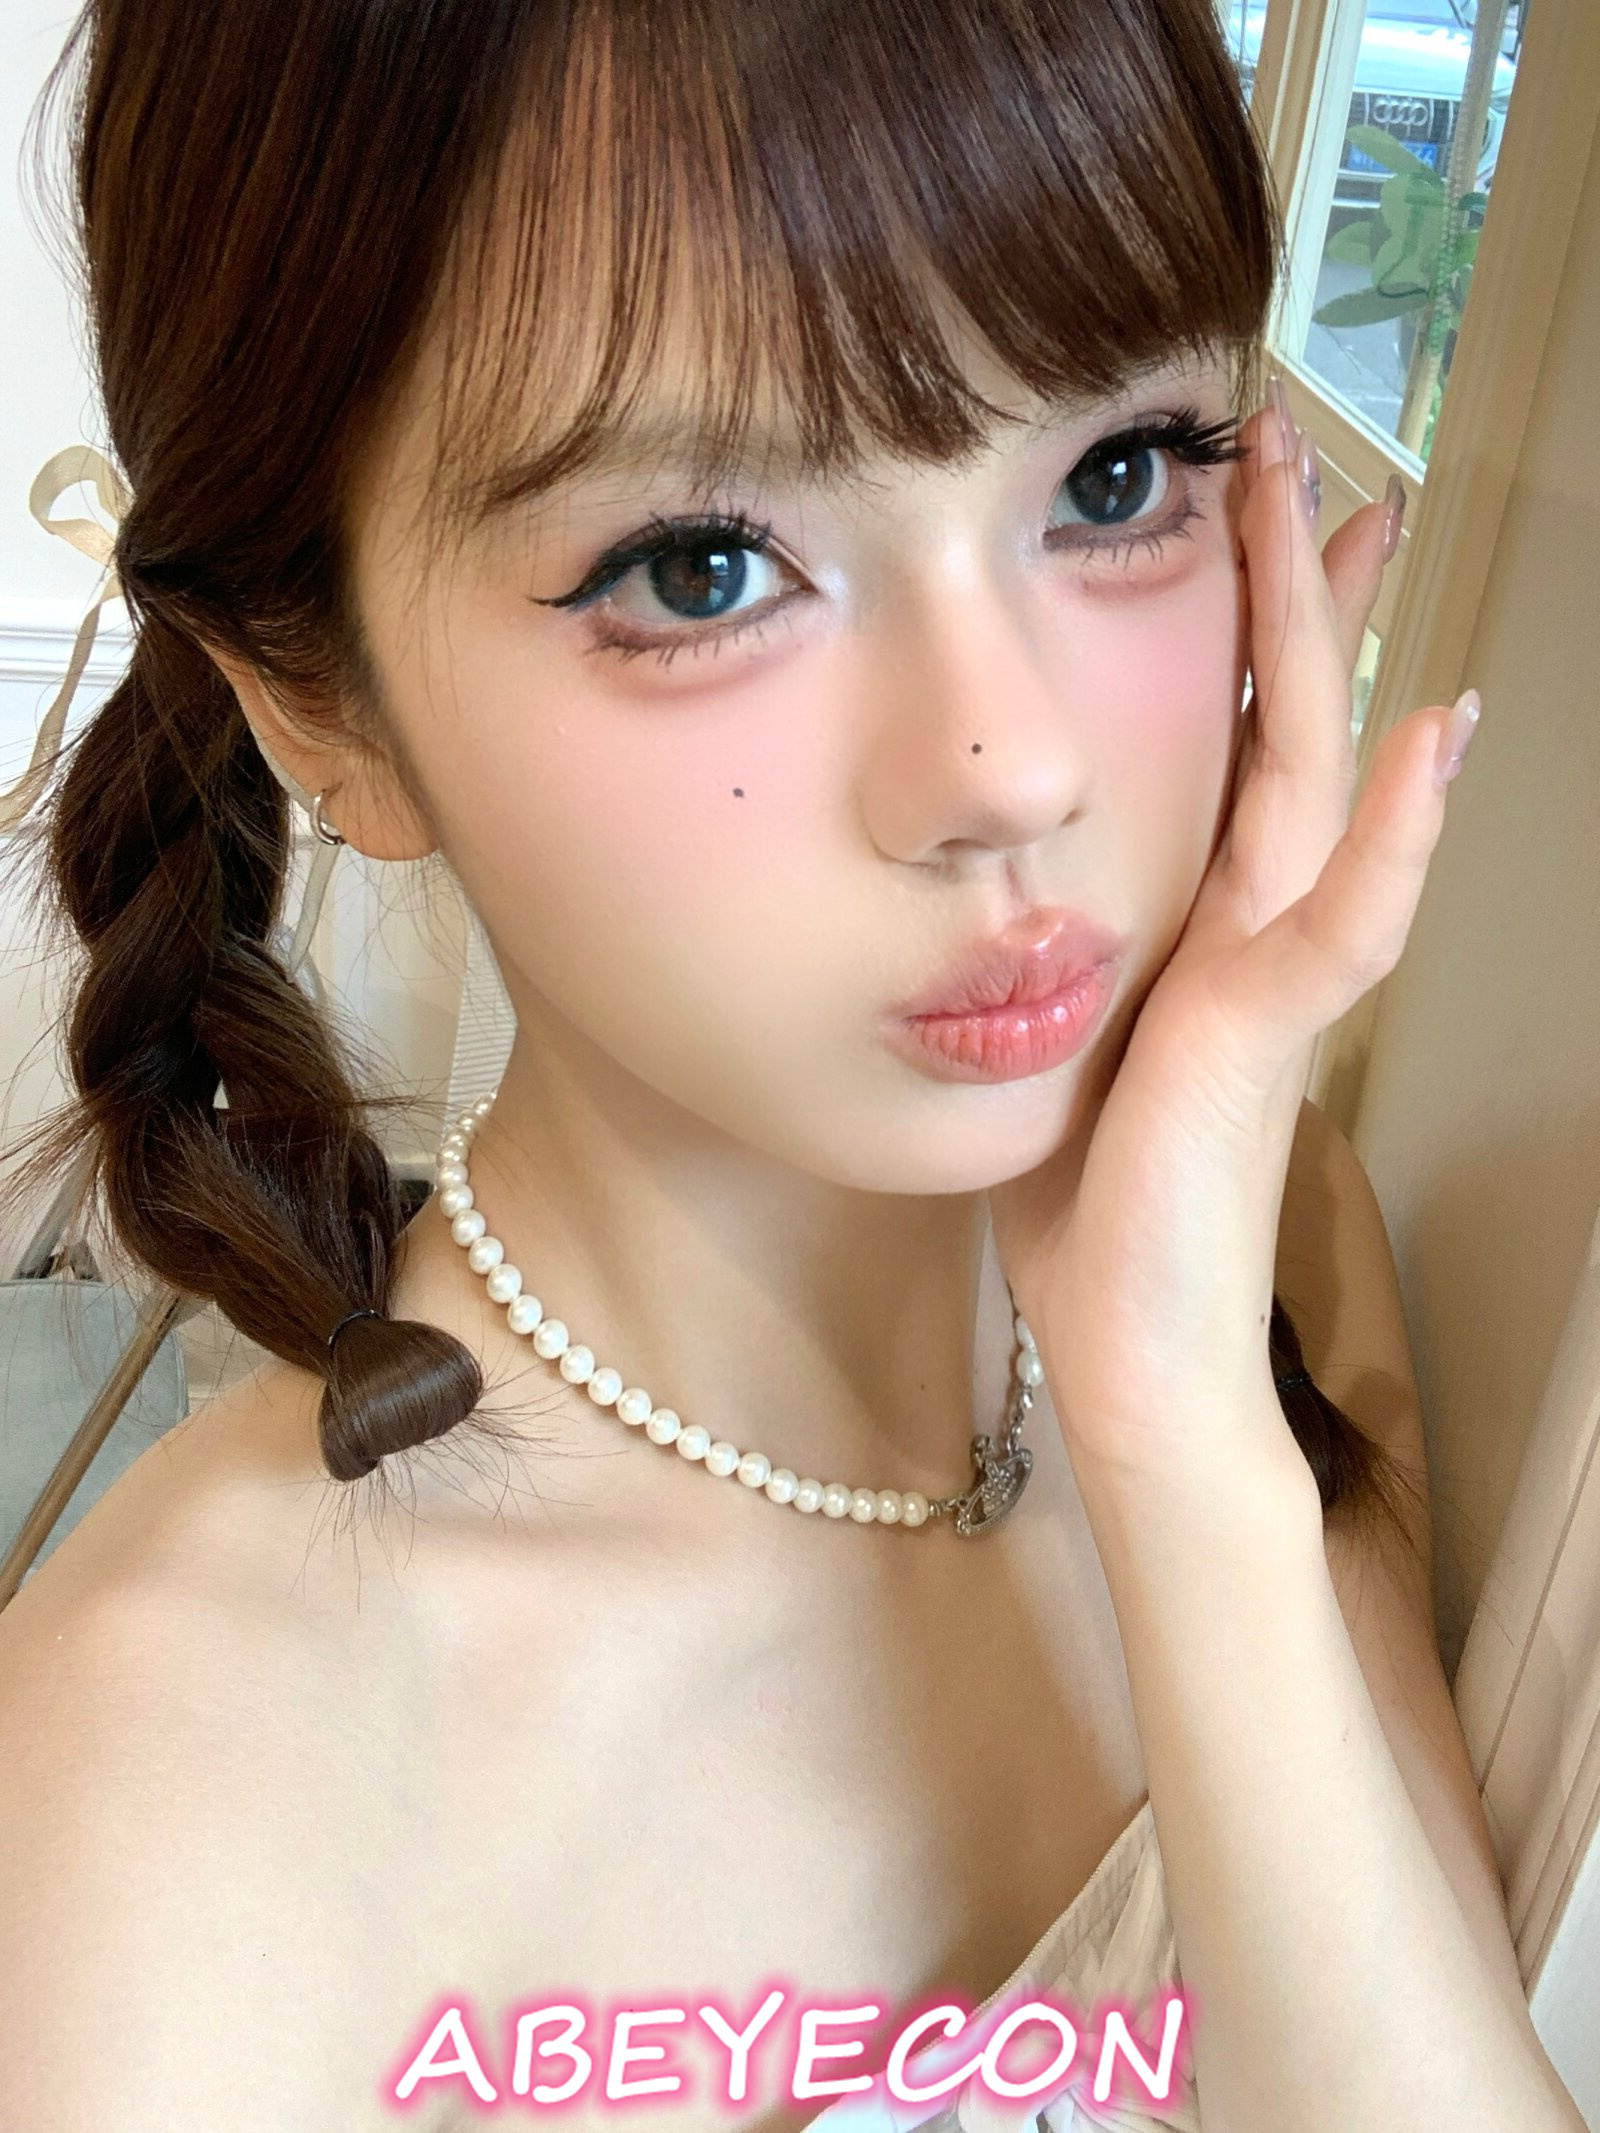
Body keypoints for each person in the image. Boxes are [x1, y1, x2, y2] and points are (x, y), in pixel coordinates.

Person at [0, 0, 1582, 2127]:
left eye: (1115, 476)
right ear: (319, 704)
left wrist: (1181, 1439)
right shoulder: (153, 1801)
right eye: (702, 568)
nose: (1008, 760)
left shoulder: (1262, 1249)